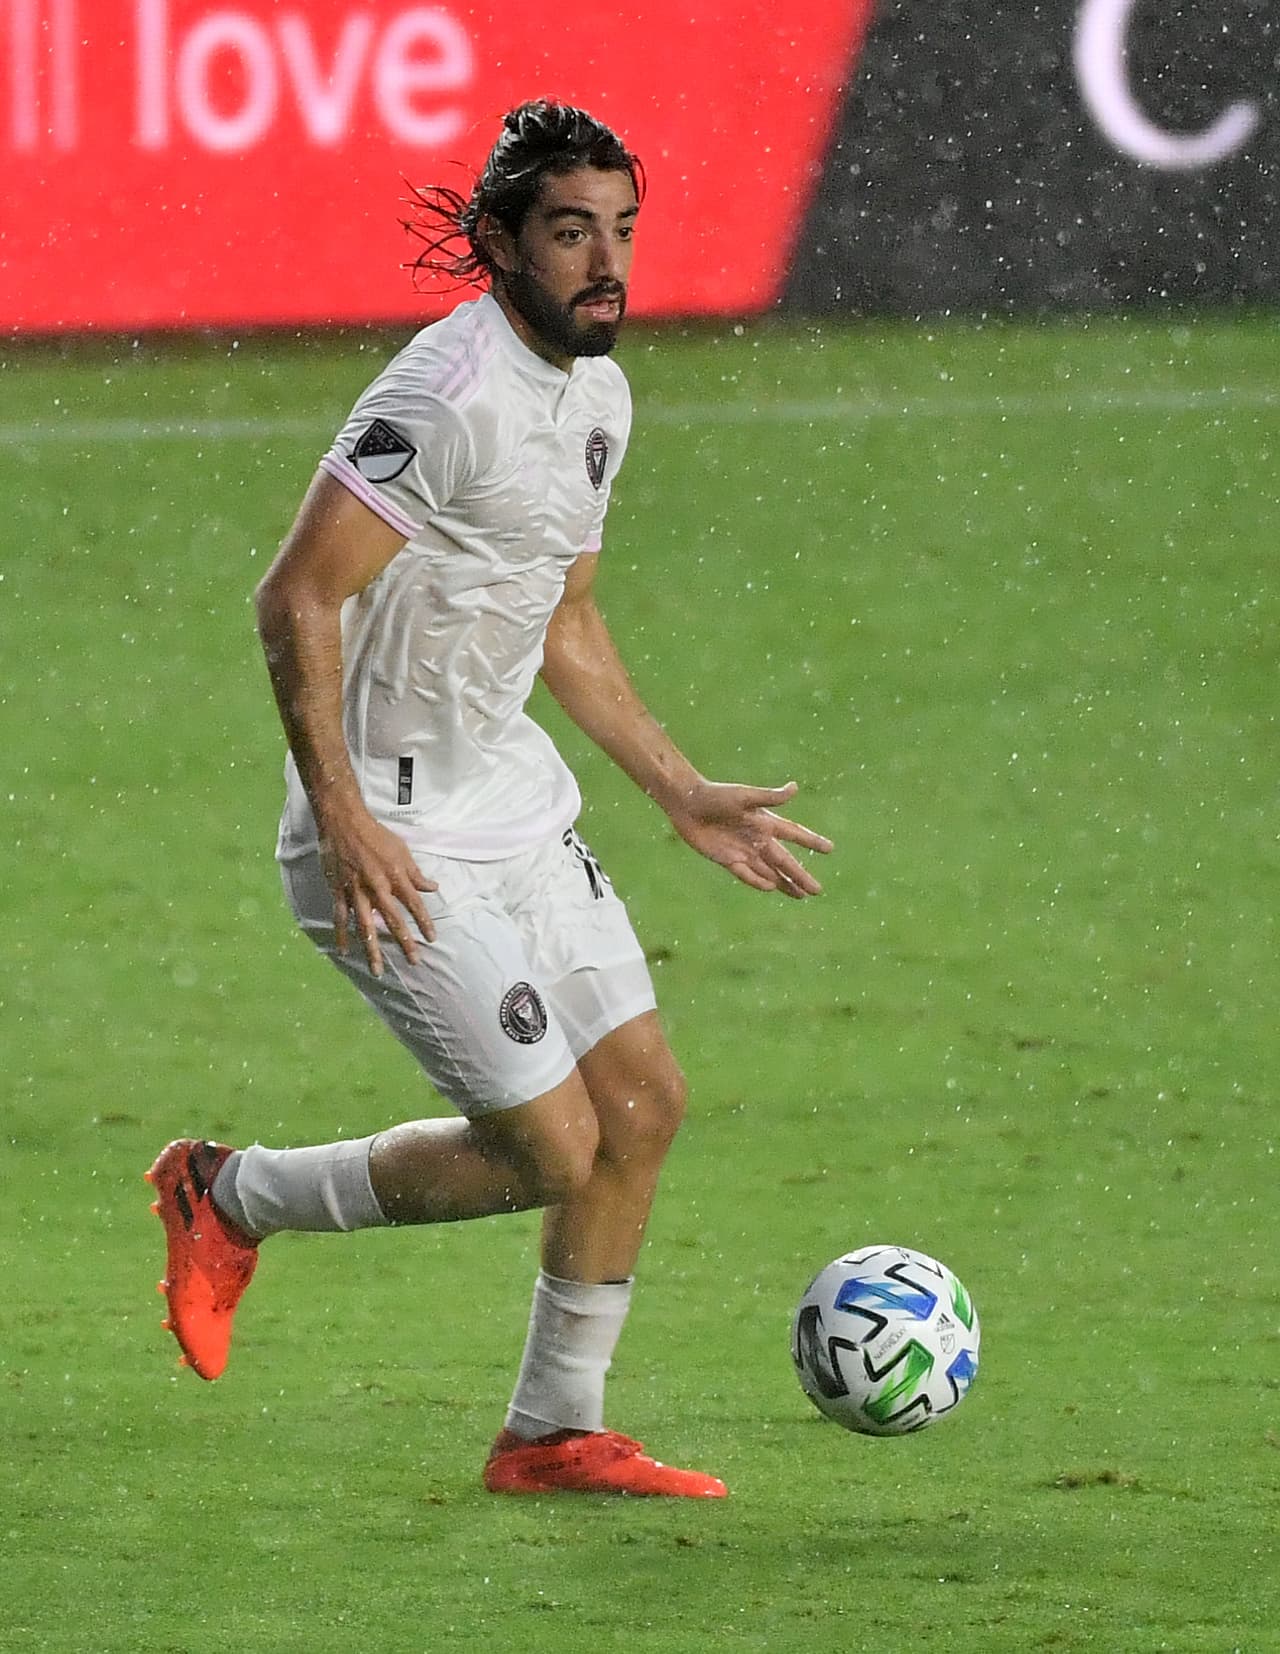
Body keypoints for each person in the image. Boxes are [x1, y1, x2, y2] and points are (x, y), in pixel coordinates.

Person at [146, 99, 832, 1499]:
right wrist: (343, 818)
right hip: (393, 832)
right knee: (550, 1145)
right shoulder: (442, 398)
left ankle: (553, 1432)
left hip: (513, 800)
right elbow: (297, 596)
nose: (606, 263)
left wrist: (680, 787)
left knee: (641, 1108)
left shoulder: (601, 395)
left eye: (623, 231)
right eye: (573, 231)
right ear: (502, 242)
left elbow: (561, 615)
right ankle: (226, 1193)